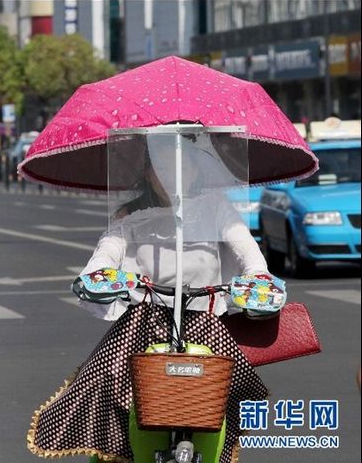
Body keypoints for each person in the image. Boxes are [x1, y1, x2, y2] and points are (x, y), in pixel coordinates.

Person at [27, 138, 273, 463]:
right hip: (143, 322)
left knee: (225, 397)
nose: (171, 176)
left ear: (196, 169)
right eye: (162, 167)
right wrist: (98, 274)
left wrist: (258, 277)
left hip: (207, 324)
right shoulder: (130, 215)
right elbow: (107, 253)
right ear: (147, 171)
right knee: (109, 389)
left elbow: (248, 252)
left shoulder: (218, 208)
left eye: (181, 166)